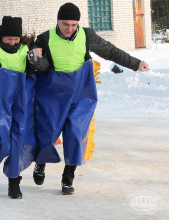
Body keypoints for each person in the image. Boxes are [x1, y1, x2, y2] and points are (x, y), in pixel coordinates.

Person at [28, 2, 150, 195]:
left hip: (81, 93)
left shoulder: (87, 36)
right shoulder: (44, 38)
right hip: (53, 95)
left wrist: (136, 64)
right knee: (48, 133)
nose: (69, 28)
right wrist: (32, 58)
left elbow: (111, 51)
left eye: (74, 25)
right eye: (65, 24)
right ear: (57, 21)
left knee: (76, 134)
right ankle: (40, 163)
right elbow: (34, 65)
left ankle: (68, 179)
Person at [0, 16, 45, 199]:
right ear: (1, 36)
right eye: (8, 39)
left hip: (19, 103)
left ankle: (14, 183)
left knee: (18, 141)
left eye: (16, 39)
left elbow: (44, 65)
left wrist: (35, 61)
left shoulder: (26, 49)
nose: (12, 42)